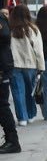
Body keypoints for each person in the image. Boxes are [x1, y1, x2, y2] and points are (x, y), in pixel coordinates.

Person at [9, 4, 43, 126]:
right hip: (31, 65)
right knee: (30, 92)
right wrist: (41, 67)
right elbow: (39, 51)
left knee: (18, 92)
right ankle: (31, 115)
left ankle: (22, 118)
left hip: (14, 65)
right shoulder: (33, 30)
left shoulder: (10, 30)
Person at [0, 13, 18, 152]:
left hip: (2, 68)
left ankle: (13, 141)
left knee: (2, 106)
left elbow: (5, 35)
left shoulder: (1, 19)